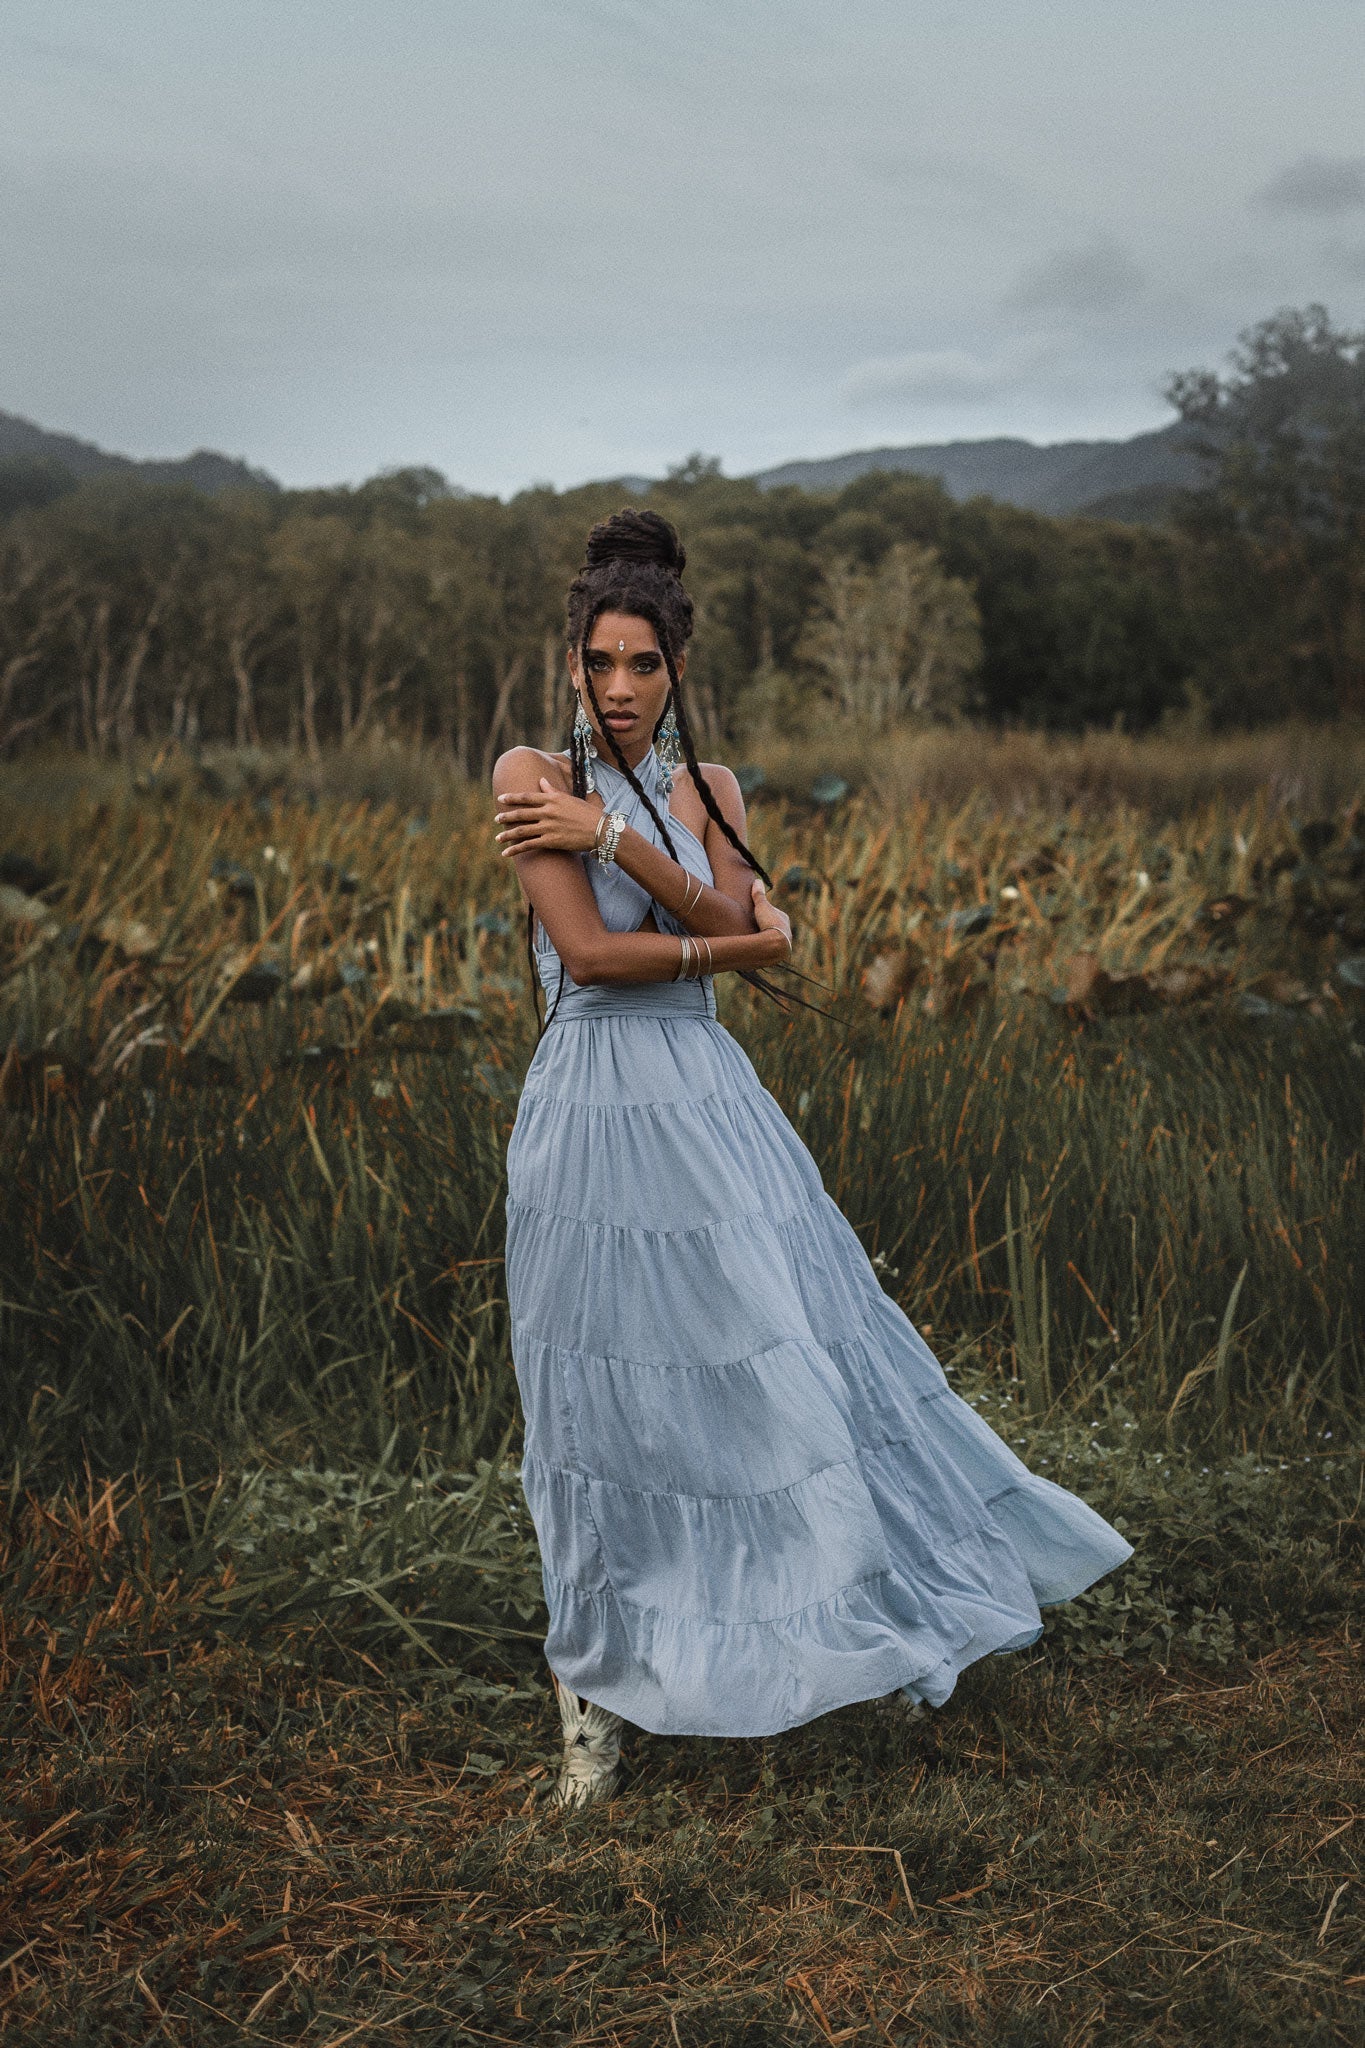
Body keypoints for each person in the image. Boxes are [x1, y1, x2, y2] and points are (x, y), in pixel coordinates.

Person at [492, 509, 1132, 1808]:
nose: (619, 688)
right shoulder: (528, 773)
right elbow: (600, 958)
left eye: (644, 665)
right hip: (590, 1107)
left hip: (707, 1104)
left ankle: (824, 1621)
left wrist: (616, 844)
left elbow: (709, 908)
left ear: (678, 668)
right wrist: (745, 942)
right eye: (598, 663)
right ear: (571, 663)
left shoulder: (713, 792)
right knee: (593, 1401)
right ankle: (594, 1708)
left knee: (776, 1366)